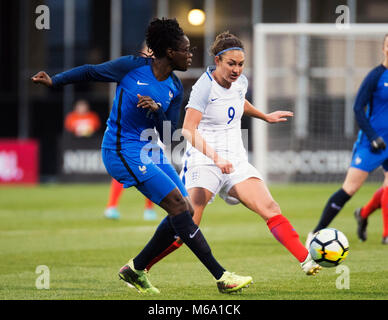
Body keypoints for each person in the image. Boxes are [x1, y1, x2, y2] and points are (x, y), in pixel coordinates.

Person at [31, 18, 252, 294]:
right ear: (171, 52)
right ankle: (221, 276)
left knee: (185, 207)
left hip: (151, 149)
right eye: (186, 49)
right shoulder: (131, 67)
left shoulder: (174, 87)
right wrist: (55, 81)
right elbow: (90, 72)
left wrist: (158, 109)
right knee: (177, 205)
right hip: (120, 149)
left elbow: (166, 130)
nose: (191, 54)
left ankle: (136, 268)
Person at [144, 31, 322, 276]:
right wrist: (216, 157)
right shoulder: (203, 88)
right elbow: (187, 129)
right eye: (231, 64)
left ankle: (306, 260)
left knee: (270, 207)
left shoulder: (241, 82)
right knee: (187, 226)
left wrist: (265, 116)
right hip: (204, 162)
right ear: (217, 61)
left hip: (235, 161)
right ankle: (141, 266)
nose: (237, 69)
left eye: (240, 64)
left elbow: (239, 103)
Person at [306, 34, 388, 246]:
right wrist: (372, 136)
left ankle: (384, 232)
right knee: (350, 188)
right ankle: (316, 232)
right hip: (373, 143)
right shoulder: (376, 76)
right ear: (384, 48)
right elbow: (357, 108)